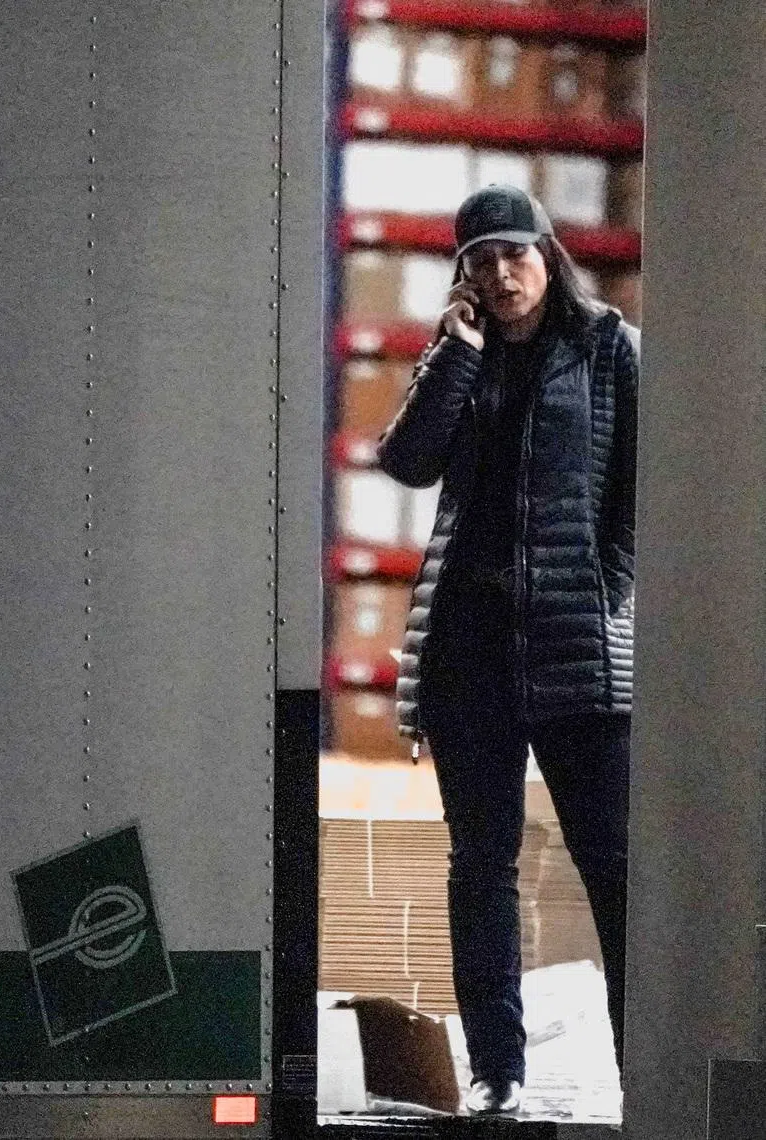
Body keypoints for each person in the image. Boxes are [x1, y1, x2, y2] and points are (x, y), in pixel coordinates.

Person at [376, 185, 639, 1116]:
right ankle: (498, 1072)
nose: (500, 275)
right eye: (480, 260)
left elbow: (640, 487)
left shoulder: (607, 346)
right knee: (479, 864)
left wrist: (610, 582)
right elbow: (405, 461)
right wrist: (457, 353)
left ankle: (639, 1071)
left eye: (513, 255)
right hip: (470, 653)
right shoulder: (462, 351)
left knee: (612, 863)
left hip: (576, 650)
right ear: (465, 274)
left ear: (547, 252)